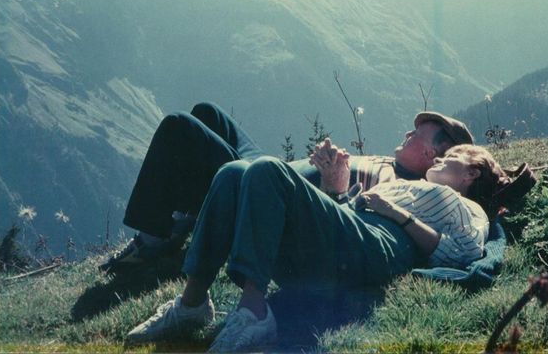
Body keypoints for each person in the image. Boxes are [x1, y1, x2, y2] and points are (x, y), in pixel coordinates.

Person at [125, 144, 511, 352]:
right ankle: (192, 304)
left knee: (266, 169)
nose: (440, 158)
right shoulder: (409, 182)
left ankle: (254, 311)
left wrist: (397, 214)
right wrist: (334, 189)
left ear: (471, 173)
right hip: (348, 237)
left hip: (382, 246)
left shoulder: (466, 205)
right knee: (234, 172)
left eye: (451, 157)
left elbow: (463, 252)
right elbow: (336, 219)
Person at [100, 102, 475, 272]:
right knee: (208, 114)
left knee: (179, 127)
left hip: (264, 189)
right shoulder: (386, 162)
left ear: (434, 150)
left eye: (419, 130)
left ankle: (152, 240)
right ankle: (185, 217)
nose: (409, 130)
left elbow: (343, 218)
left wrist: (334, 181)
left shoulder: (406, 185)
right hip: (272, 168)